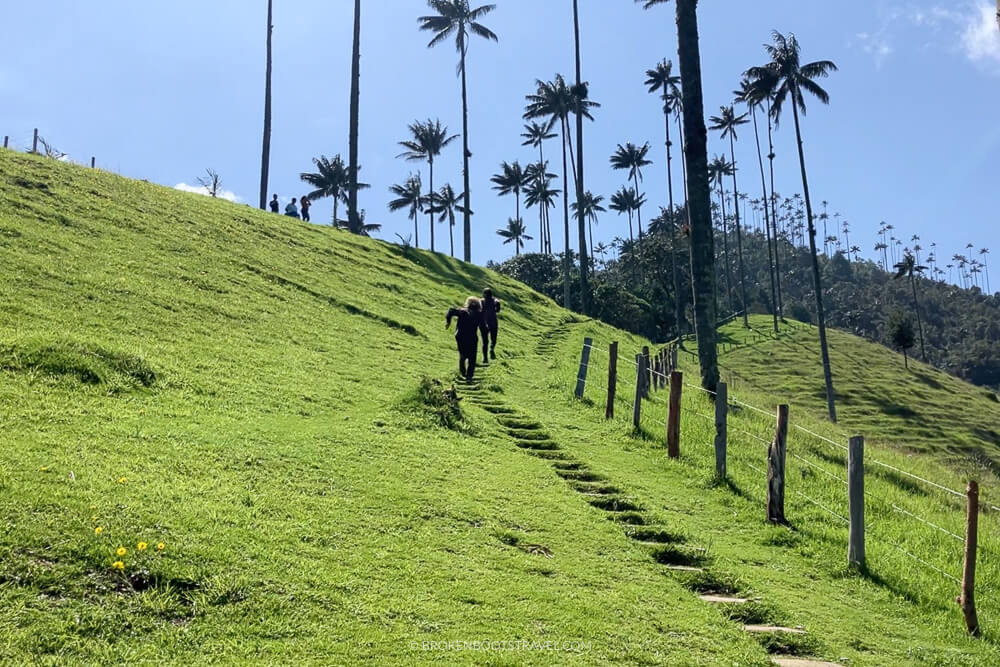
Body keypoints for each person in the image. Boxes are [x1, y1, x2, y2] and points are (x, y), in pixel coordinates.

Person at [446, 297, 482, 382]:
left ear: (468, 303)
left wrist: (448, 322)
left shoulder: (462, 311)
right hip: (472, 337)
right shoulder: (479, 314)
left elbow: (451, 310)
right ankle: (469, 376)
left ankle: (463, 371)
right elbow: (483, 324)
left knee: (462, 354)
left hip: (460, 335)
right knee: (472, 357)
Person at [479, 287, 501, 363]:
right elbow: (498, 309)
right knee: (493, 339)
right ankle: (491, 349)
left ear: (484, 294)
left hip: (484, 323)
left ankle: (485, 358)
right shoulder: (494, 300)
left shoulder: (482, 301)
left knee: (485, 342)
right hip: (493, 323)